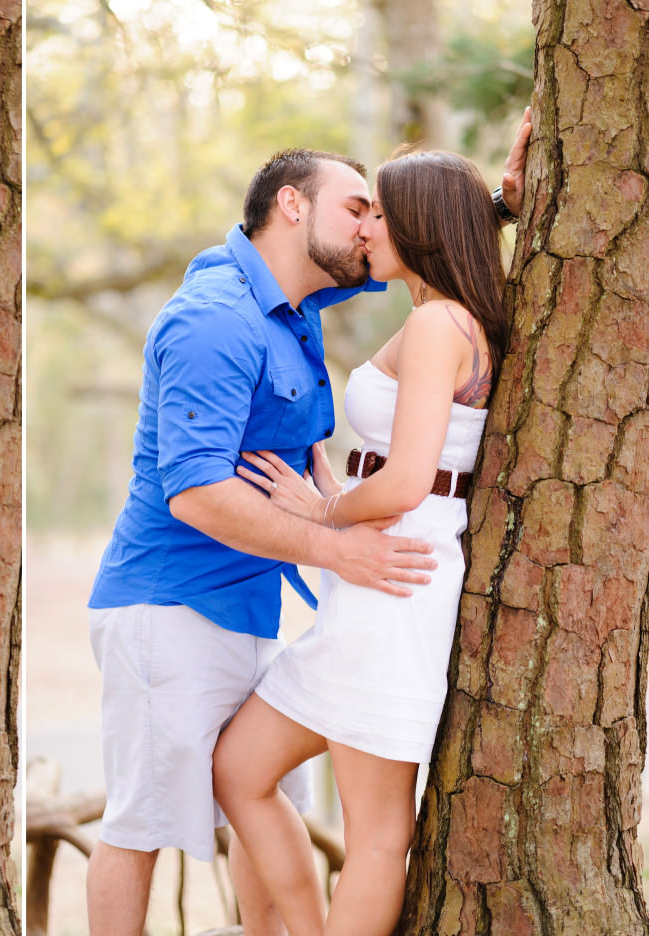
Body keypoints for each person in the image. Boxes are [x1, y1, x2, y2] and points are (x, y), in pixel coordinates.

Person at [84, 109, 530, 936]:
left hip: (314, 585)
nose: (369, 229)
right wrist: (330, 536)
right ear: (293, 207)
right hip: (174, 599)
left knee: (278, 793)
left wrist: (492, 206)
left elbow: (424, 251)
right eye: (357, 207)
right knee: (147, 819)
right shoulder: (218, 316)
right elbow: (194, 491)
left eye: (382, 212)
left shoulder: (307, 300)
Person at [211, 147, 511, 936]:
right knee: (239, 769)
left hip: (395, 580)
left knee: (377, 834)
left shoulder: (442, 325)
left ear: (417, 222)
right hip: (372, 575)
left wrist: (321, 513)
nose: (365, 227)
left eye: (377, 211)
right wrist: (502, 200)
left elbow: (410, 479)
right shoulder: (437, 317)